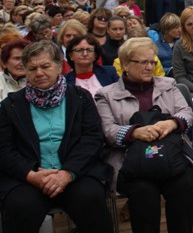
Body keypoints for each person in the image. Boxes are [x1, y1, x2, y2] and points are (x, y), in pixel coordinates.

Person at [0, 40, 113, 233]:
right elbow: (4, 149)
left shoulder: (79, 97)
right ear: (26, 71)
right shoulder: (10, 105)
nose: (39, 73)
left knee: (90, 199)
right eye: (32, 68)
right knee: (21, 206)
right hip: (28, 177)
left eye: (45, 66)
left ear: (59, 66)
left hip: (76, 173)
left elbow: (92, 139)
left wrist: (67, 173)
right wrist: (31, 175)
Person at [95, 37, 193, 233]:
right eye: (143, 62)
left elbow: (187, 112)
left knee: (183, 185)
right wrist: (135, 132)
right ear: (125, 64)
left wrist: (172, 122)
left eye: (153, 62)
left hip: (171, 155)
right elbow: (107, 129)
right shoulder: (106, 94)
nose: (150, 67)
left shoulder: (168, 84)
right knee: (144, 192)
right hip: (130, 160)